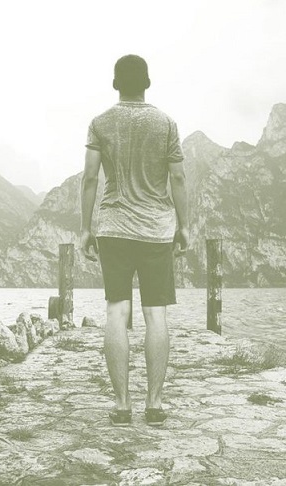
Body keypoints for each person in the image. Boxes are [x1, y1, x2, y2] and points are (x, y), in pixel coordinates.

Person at [79, 54, 189, 427]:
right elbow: (178, 179)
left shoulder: (100, 123)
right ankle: (154, 404)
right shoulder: (166, 124)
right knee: (155, 314)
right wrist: (184, 225)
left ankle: (122, 405)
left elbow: (90, 179)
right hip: (156, 230)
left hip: (113, 228)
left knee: (116, 312)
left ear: (115, 83)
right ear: (147, 83)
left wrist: (85, 228)